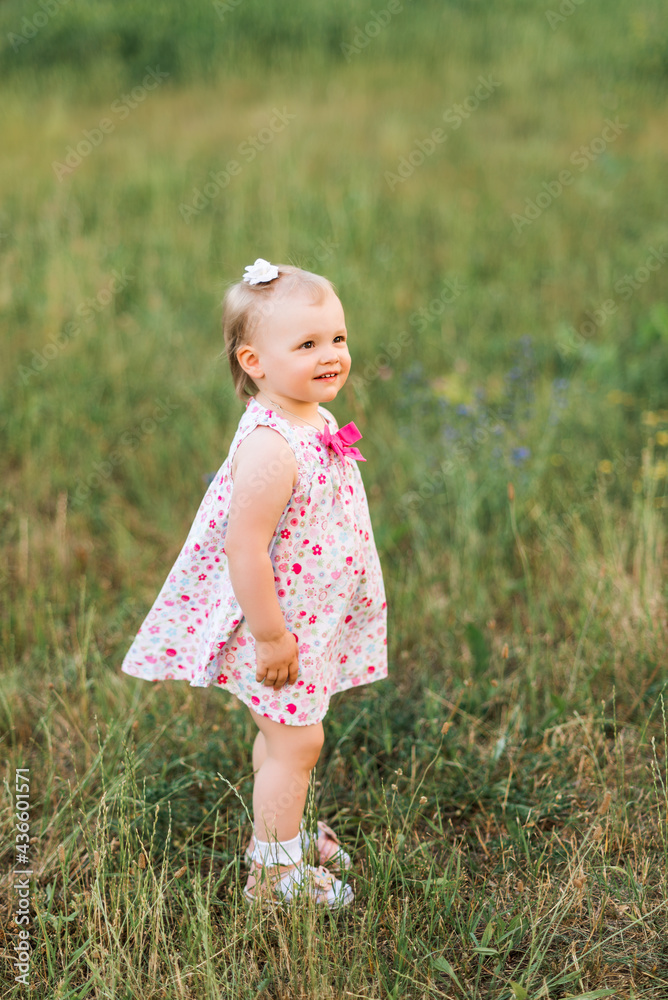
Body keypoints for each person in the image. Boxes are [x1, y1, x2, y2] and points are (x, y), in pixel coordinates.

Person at [121, 258, 388, 908]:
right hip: (278, 625)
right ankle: (273, 878)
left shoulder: (312, 417)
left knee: (280, 737)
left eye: (337, 339)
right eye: (307, 344)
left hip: (308, 618)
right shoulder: (272, 447)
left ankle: (281, 831)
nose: (331, 356)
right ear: (255, 361)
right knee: (301, 741)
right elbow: (244, 548)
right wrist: (270, 638)